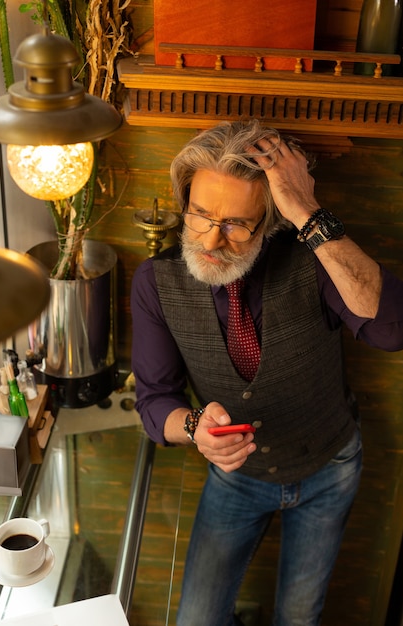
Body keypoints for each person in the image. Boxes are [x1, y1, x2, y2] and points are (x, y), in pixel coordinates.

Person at [131, 120, 403, 626]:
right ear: (183, 202)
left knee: (299, 619)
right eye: (200, 214)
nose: (212, 239)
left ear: (269, 223)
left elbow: (389, 330)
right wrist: (194, 430)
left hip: (330, 467)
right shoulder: (155, 282)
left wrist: (307, 211)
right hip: (237, 480)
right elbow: (154, 400)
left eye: (237, 223)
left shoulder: (314, 261)